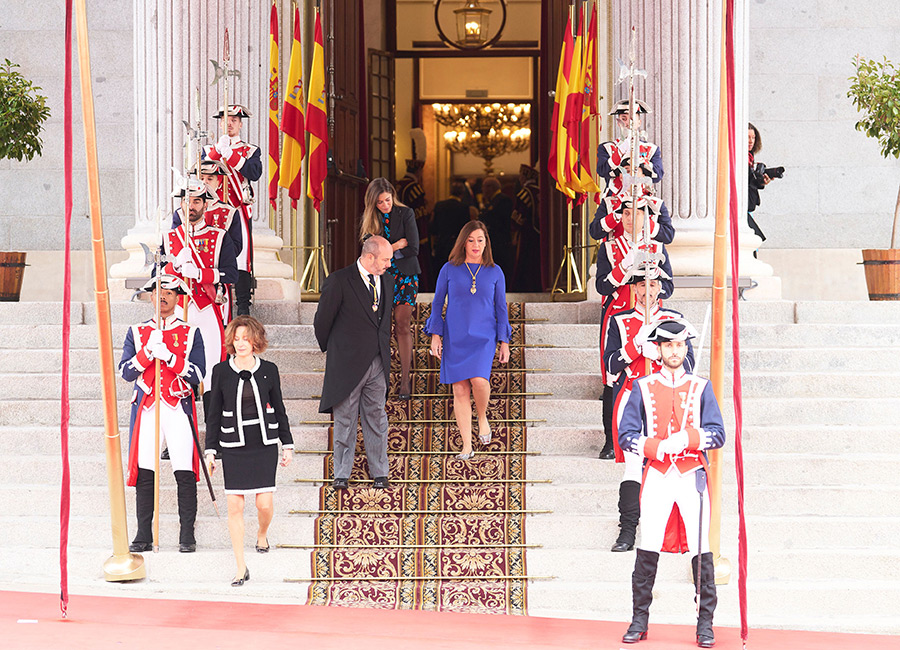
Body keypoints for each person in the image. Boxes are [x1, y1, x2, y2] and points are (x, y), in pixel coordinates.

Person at [618, 319, 725, 647]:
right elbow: (626, 434)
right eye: (669, 346)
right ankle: (639, 619)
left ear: (685, 348)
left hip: (691, 475)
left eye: (679, 345)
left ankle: (705, 624)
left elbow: (718, 434)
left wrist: (689, 438)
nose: (675, 351)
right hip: (659, 476)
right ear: (660, 349)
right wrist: (655, 446)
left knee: (701, 549)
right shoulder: (643, 387)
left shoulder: (701, 387)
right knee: (647, 545)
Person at [603, 272, 693, 553]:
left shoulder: (675, 319)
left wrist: (660, 354)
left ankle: (667, 529)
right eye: (642, 284)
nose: (647, 289)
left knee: (667, 461)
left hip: (665, 396)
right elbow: (610, 365)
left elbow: (688, 364)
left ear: (660, 287)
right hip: (631, 397)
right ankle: (627, 531)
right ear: (634, 288)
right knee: (633, 465)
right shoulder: (619, 320)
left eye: (653, 283)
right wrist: (634, 348)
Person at [118, 275, 205, 553]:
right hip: (148, 407)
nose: (163, 296)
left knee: (183, 469)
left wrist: (169, 357)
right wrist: (146, 353)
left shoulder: (191, 333)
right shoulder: (136, 331)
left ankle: (187, 534)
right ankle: (143, 533)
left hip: (177, 406)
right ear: (151, 297)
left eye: (169, 292)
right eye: (158, 292)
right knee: (146, 469)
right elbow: (125, 372)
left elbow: (198, 375)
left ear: (178, 297)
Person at [205, 316, 294, 587]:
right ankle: (241, 567)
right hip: (233, 445)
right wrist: (210, 450)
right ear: (231, 340)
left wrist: (286, 444)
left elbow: (279, 408)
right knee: (235, 506)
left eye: (246, 338)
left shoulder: (270, 370)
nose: (241, 343)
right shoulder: (220, 371)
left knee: (264, 504)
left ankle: (262, 533)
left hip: (263, 443)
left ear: (256, 340)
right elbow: (213, 413)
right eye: (237, 338)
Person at [595, 197, 673, 463]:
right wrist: (625, 267)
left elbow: (669, 287)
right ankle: (610, 439)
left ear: (645, 217)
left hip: (650, 316)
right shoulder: (608, 247)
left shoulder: (657, 245)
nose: (630, 219)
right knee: (611, 377)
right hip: (617, 316)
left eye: (636, 213)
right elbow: (602, 287)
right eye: (626, 214)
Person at [425, 221, 511, 460]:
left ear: (486, 243)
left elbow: (501, 308)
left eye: (480, 240)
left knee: (479, 381)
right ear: (463, 242)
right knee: (460, 389)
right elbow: (437, 302)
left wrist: (504, 341)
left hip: (484, 337)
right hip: (456, 335)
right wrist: (435, 335)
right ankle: (466, 445)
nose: (475, 245)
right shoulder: (449, 269)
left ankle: (482, 416)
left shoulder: (495, 272)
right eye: (471, 240)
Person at [314, 236, 394, 490]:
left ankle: (380, 472)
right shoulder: (339, 280)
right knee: (345, 420)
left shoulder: (388, 281)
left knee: (377, 418)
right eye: (385, 259)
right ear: (370, 257)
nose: (388, 265)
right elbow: (322, 322)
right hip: (347, 363)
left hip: (378, 361)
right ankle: (342, 474)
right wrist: (337, 351)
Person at [164, 178, 238, 401]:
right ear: (180, 205)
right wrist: (174, 265)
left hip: (207, 306)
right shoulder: (169, 238)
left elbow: (231, 274)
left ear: (206, 205)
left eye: (197, 201)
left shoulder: (220, 237)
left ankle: (213, 427)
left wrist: (200, 273)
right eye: (187, 201)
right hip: (178, 309)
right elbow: (156, 276)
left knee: (213, 366)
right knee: (176, 365)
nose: (192, 206)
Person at [359, 177, 420, 400]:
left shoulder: (406, 214)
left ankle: (405, 380)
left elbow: (413, 247)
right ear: (373, 203)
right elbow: (368, 254)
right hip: (380, 277)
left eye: (388, 199)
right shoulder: (369, 221)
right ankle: (380, 379)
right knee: (381, 328)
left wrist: (383, 250)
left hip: (405, 276)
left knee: (403, 325)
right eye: (381, 202)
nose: (386, 205)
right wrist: (394, 246)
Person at [204, 104, 261, 315]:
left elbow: (254, 173)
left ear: (240, 124)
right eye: (226, 120)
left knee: (241, 256)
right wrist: (219, 151)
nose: (229, 124)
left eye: (234, 120)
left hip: (237, 210)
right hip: (214, 211)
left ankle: (243, 306)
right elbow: (203, 176)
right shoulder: (209, 151)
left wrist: (231, 154)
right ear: (219, 123)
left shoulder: (251, 150)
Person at [597, 99, 663, 200]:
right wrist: (621, 150)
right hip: (615, 201)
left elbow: (657, 175)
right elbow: (602, 171)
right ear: (618, 123)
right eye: (624, 118)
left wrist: (640, 161)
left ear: (639, 122)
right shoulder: (606, 148)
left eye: (632, 119)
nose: (628, 123)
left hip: (642, 201)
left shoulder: (652, 149)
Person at [396, 156, 433, 291]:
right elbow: (420, 219)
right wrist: (423, 239)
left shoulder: (397, 184)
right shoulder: (414, 189)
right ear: (419, 171)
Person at [430, 181, 472, 279]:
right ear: (462, 193)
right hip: (456, 245)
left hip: (441, 243)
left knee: (440, 272)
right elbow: (466, 230)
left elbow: (433, 227)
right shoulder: (464, 208)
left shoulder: (439, 205)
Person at [511, 164, 542, 292]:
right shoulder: (540, 191)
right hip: (538, 234)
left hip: (526, 234)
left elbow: (518, 218)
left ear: (524, 177)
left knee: (525, 262)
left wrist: (514, 232)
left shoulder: (524, 193)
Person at [479, 176, 513, 282]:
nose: (483, 190)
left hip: (500, 242)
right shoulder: (492, 201)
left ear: (491, 187)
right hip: (492, 241)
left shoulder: (503, 200)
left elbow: (501, 221)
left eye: (485, 187)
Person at [748, 122, 772, 245]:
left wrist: (762, 182)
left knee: (754, 241)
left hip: (749, 206)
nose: (751, 141)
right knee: (754, 240)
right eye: (747, 137)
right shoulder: (737, 157)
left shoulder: (750, 157)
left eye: (753, 137)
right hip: (738, 207)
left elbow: (749, 182)